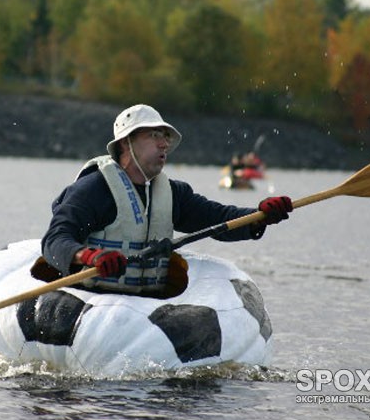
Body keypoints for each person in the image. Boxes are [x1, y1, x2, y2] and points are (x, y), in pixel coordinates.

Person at [41, 104, 292, 295]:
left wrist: (261, 216)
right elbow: (55, 240)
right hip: (92, 300)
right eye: (153, 136)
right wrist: (90, 257)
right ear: (126, 143)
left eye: (165, 137)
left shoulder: (172, 193)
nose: (164, 145)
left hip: (144, 307)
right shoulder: (92, 190)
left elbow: (218, 219)